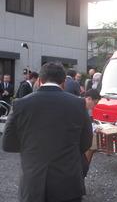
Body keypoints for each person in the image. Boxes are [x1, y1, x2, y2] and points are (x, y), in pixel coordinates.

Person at [2, 62, 92, 202]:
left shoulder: (20, 104)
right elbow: (86, 142)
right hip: (68, 181)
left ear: (39, 80)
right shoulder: (78, 104)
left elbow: (8, 143)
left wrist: (31, 148)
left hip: (33, 180)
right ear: (63, 82)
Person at [82, 89, 101, 177]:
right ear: (89, 99)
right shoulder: (79, 107)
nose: (95, 106)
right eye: (95, 103)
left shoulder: (84, 107)